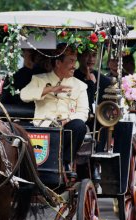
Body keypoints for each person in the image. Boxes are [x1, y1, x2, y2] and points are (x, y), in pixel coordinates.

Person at [20, 43, 90, 176]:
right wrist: (50, 89)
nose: (74, 66)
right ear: (58, 63)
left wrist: (67, 120)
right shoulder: (39, 79)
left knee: (79, 125)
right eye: (70, 61)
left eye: (75, 61)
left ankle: (65, 162)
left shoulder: (80, 86)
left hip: (67, 128)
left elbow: (83, 112)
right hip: (42, 126)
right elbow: (24, 95)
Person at [74, 49, 111, 129]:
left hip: (99, 124)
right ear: (79, 57)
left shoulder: (105, 81)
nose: (91, 59)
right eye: (87, 55)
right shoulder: (72, 78)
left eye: (94, 55)